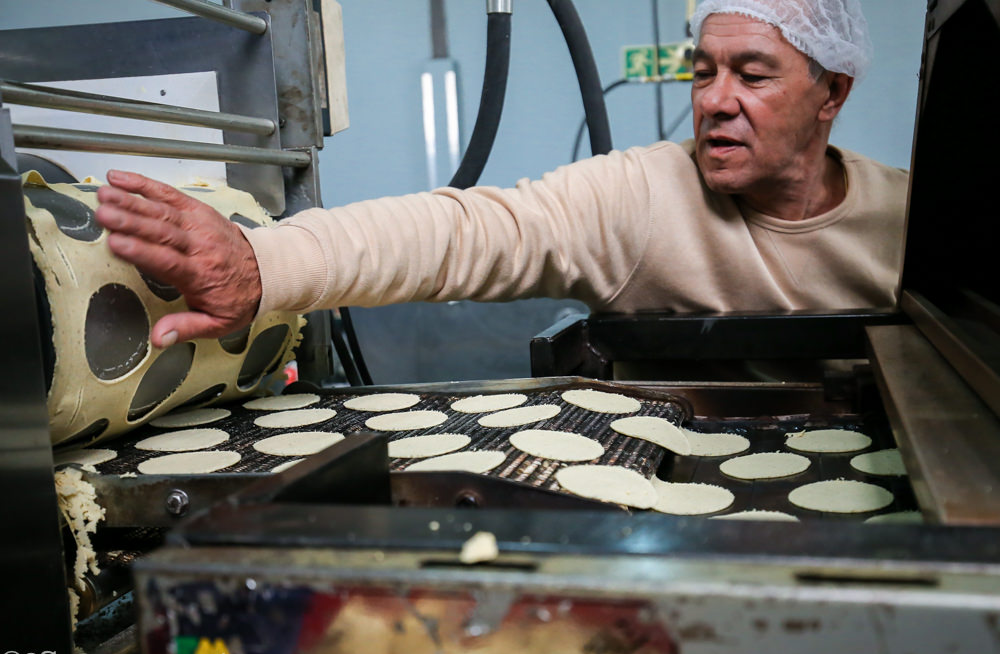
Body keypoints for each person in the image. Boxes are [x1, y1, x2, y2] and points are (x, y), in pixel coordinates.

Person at [95, 0, 907, 351]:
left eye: (753, 76)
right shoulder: (645, 194)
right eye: (703, 73)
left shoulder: (910, 221)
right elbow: (462, 231)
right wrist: (260, 262)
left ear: (832, 91)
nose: (717, 102)